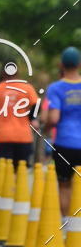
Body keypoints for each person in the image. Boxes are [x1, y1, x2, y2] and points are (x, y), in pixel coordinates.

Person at [45, 46, 81, 215]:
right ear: (79, 64)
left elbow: (53, 118)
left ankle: (68, 229)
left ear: (61, 65)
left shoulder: (55, 88)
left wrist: (46, 128)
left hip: (64, 143)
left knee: (64, 185)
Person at [0, 62, 39, 166]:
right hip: (23, 136)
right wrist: (32, 119)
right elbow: (36, 105)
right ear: (17, 72)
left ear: (3, 73)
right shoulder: (27, 88)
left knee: (4, 172)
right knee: (21, 172)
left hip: (2, 136)